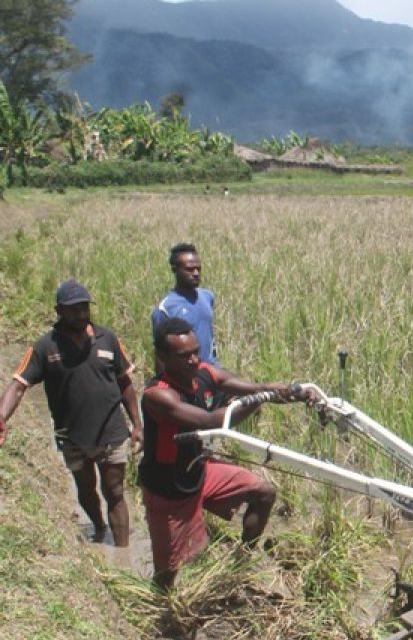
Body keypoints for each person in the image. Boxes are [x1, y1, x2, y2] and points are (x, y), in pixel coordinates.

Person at [139, 317, 310, 589]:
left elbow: (256, 388)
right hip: (168, 489)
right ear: (162, 357)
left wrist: (293, 393)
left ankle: (242, 562)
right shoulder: (158, 396)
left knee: (264, 492)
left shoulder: (205, 373)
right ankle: (160, 613)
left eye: (196, 352)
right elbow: (210, 422)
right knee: (167, 572)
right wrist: (259, 399)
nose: (194, 360)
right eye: (184, 356)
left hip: (200, 470)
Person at [0, 280, 143, 546]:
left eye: (84, 308)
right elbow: (19, 386)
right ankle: (99, 528)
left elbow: (125, 384)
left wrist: (137, 424)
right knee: (86, 489)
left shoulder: (108, 339)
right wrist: (1, 417)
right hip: (72, 436)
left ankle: (122, 554)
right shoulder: (44, 347)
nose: (81, 314)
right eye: (73, 309)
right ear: (58, 310)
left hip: (111, 430)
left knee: (114, 491)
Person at [151, 242, 218, 367]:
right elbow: (160, 351)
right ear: (175, 270)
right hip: (186, 375)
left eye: (198, 268)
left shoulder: (207, 296)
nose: (196, 273)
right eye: (190, 269)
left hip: (211, 371)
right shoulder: (165, 308)